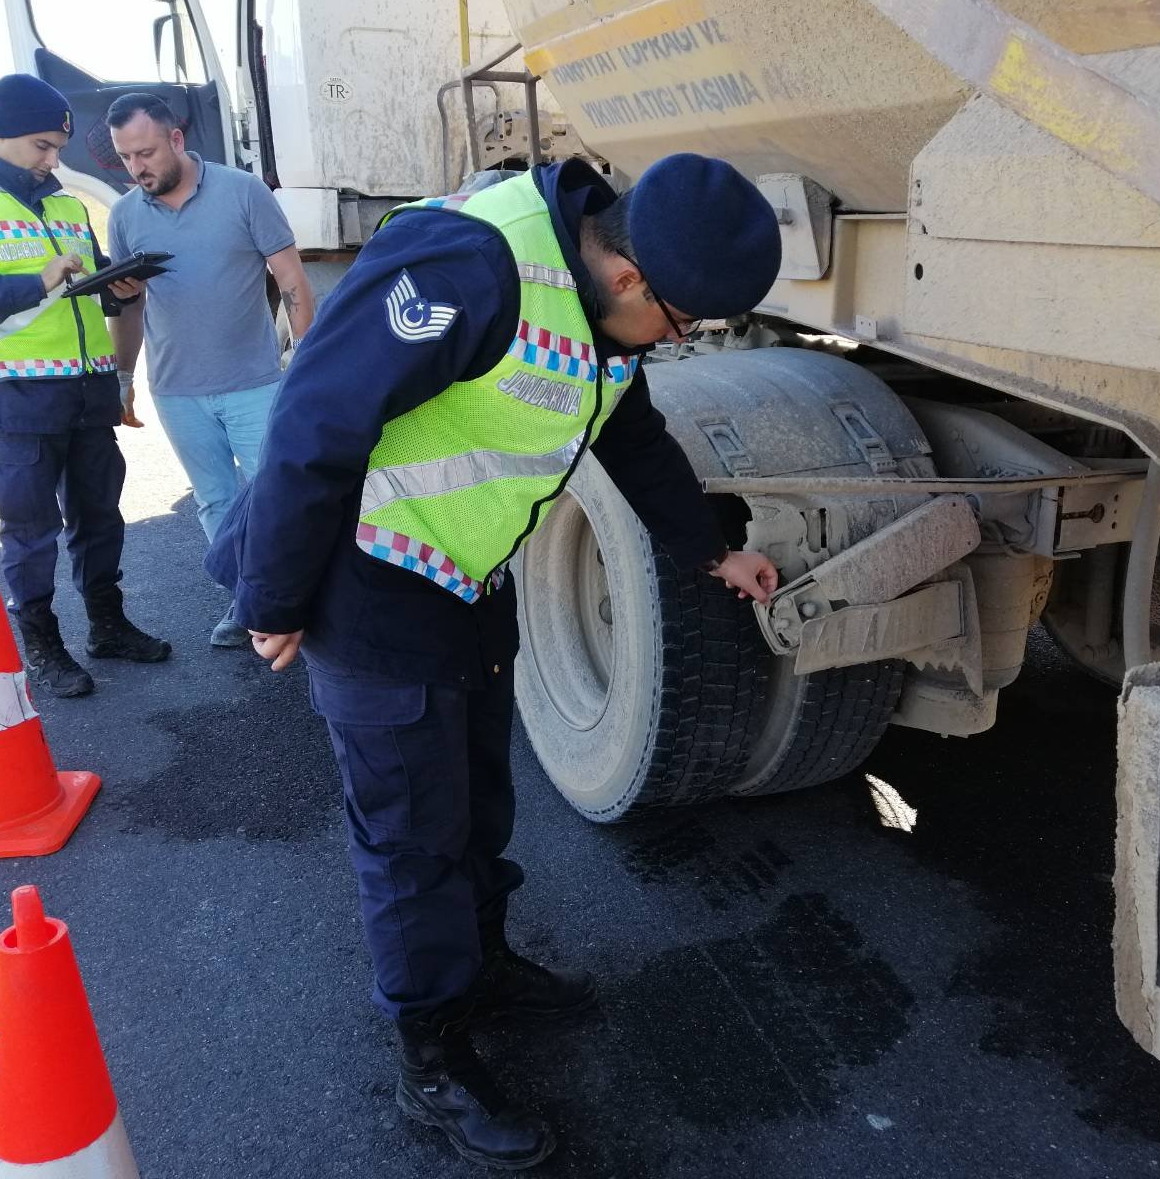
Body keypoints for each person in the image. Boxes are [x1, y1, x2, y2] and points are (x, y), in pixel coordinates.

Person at [207, 153, 782, 1167]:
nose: (678, 343)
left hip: (463, 579)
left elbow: (629, 430)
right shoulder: (467, 272)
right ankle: (430, 1049)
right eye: (685, 325)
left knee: (474, 805)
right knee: (412, 841)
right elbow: (313, 422)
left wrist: (712, 550)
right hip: (366, 577)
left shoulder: (599, 313)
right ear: (630, 277)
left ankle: (483, 966)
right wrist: (273, 598)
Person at [0, 74, 171, 698]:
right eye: (43, 146)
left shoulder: (66, 203)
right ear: (3, 134)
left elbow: (86, 279)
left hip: (88, 389)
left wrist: (115, 284)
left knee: (100, 516)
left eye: (58, 148)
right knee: (30, 530)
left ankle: (107, 625)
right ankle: (44, 647)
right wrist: (38, 281)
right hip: (18, 397)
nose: (53, 160)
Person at [104, 92, 315, 647]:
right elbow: (127, 307)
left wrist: (309, 364)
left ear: (176, 138)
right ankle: (246, 604)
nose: (137, 168)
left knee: (276, 494)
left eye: (146, 152)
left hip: (255, 383)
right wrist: (123, 380)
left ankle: (294, 600)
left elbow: (292, 280)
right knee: (215, 501)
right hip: (176, 390)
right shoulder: (125, 216)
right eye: (126, 158)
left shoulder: (243, 193)